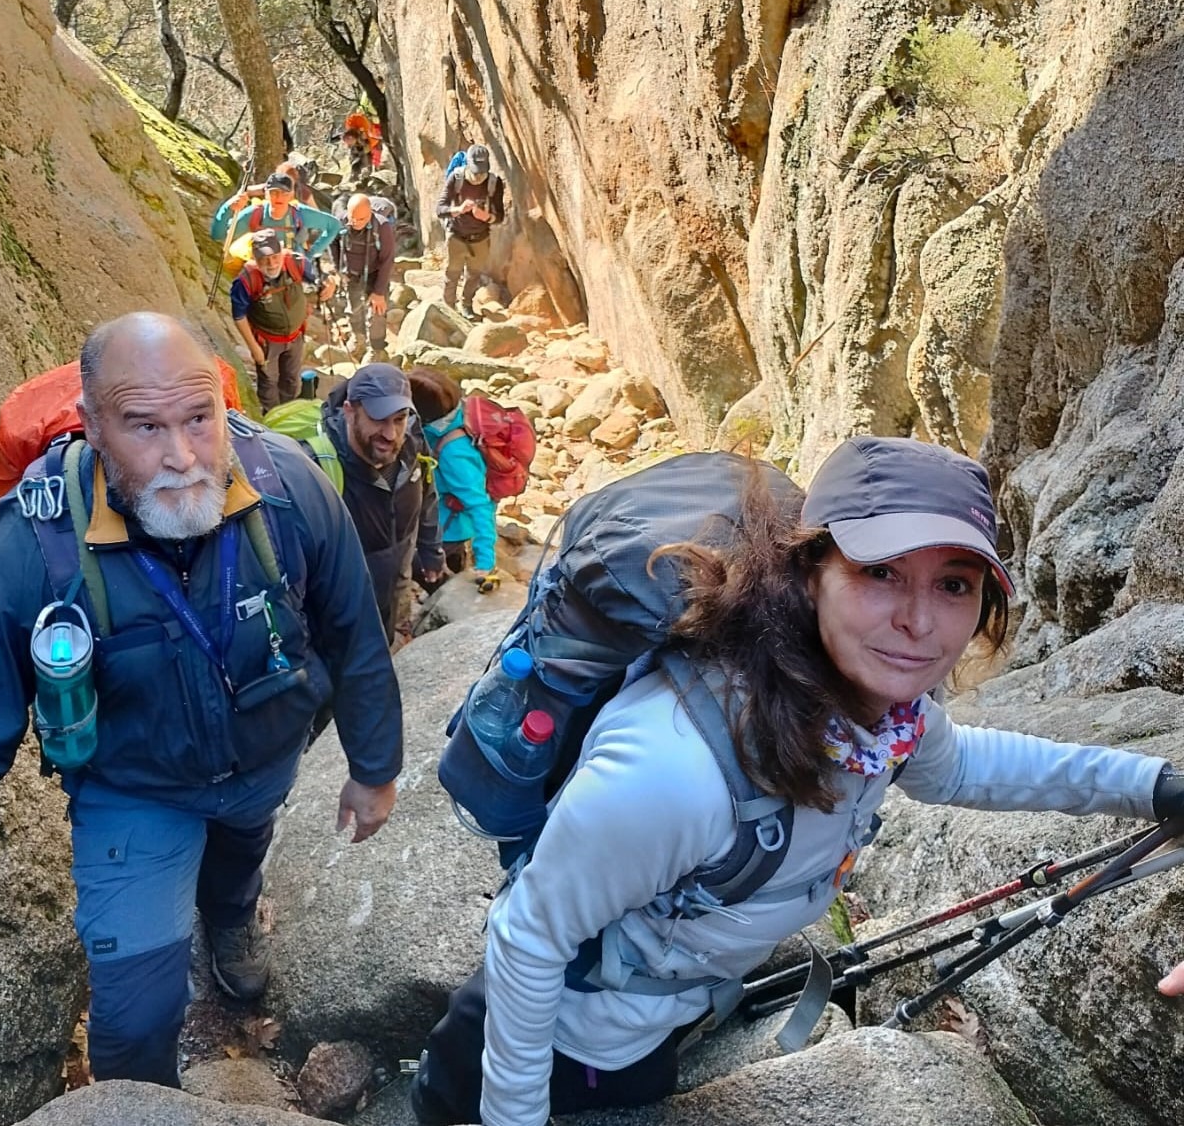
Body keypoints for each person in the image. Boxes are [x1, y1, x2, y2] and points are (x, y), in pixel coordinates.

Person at [408, 435, 1184, 1126]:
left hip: (660, 1015)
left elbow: (968, 766)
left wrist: (1155, 786)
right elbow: (530, 937)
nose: (920, 621)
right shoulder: (674, 768)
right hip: (555, 1039)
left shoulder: (879, 709)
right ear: (810, 570)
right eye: (880, 571)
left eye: (954, 583)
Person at [0, 313, 402, 1089]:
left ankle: (230, 917)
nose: (182, 455)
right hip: (133, 790)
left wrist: (375, 765)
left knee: (241, 850)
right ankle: (139, 1102)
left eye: (199, 418)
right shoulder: (30, 550)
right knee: (136, 1009)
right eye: (145, 426)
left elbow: (354, 631)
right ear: (93, 428)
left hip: (262, 760)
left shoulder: (288, 490)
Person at [315, 364, 444, 641]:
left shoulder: (413, 443)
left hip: (398, 568)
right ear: (350, 411)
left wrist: (432, 551)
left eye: (399, 419)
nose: (391, 434)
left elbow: (427, 495)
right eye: (379, 419)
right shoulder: (319, 467)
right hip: (347, 593)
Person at [409, 366, 501, 594]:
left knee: (414, 567)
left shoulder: (454, 453)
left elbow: (480, 505)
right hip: (440, 520)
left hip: (446, 533)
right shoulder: (450, 418)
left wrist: (486, 563)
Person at [231, 230, 333, 411]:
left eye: (275, 256)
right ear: (255, 257)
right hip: (267, 341)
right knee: (269, 382)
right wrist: (255, 349)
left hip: (295, 336)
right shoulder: (246, 280)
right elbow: (239, 316)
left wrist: (329, 284)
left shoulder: (295, 262)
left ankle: (288, 413)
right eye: (265, 259)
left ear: (281, 251)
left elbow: (319, 277)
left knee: (291, 378)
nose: (271, 263)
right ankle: (271, 419)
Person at [436, 144, 505, 318]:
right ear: (468, 165)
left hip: (480, 238)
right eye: (475, 172)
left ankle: (466, 305)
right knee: (452, 274)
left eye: (482, 172)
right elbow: (440, 208)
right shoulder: (456, 178)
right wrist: (457, 210)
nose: (478, 177)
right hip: (456, 235)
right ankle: (448, 308)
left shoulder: (494, 183)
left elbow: (500, 216)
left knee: (473, 275)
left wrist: (486, 217)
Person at [211, 169, 342, 261]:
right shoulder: (255, 214)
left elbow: (334, 225)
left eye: (284, 193)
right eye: (274, 192)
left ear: (291, 195)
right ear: (266, 194)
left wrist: (312, 253)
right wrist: (228, 208)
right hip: (259, 270)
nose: (279, 197)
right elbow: (218, 235)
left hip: (291, 271)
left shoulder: (300, 213)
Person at [330, 193, 397, 360]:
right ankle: (358, 338)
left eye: (362, 219)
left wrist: (379, 292)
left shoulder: (382, 226)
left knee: (377, 312)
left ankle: (376, 348)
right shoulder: (341, 221)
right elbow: (332, 241)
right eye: (353, 218)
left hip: (375, 274)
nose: (356, 223)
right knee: (353, 310)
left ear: (370, 214)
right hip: (351, 274)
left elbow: (387, 259)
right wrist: (338, 269)